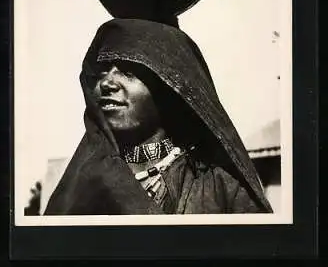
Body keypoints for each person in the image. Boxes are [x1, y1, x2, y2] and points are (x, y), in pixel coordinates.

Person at [44, 18, 273, 215]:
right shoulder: (79, 184)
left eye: (129, 71)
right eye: (101, 72)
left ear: (169, 86)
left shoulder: (222, 187)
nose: (107, 83)